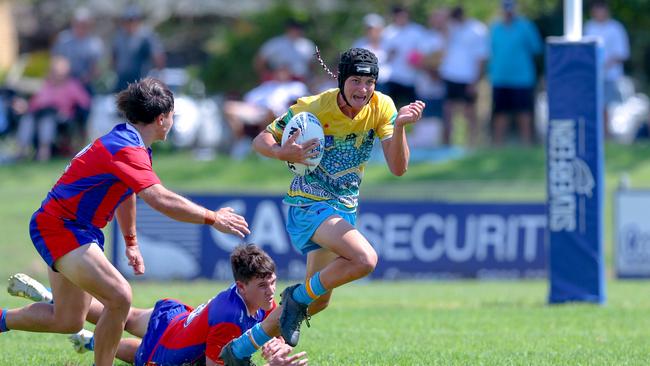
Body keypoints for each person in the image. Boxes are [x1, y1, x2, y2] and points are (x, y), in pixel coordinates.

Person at [0, 77, 250, 366]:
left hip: (69, 227)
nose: (172, 121)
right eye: (172, 115)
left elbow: (124, 192)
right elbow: (160, 199)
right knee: (120, 297)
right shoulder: (127, 148)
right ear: (161, 118)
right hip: (62, 227)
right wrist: (213, 217)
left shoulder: (129, 142)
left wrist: (131, 242)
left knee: (68, 319)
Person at [219, 47, 425, 365]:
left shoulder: (383, 106)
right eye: (355, 80)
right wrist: (282, 153)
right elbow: (261, 139)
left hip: (343, 207)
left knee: (317, 302)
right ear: (342, 80)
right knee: (365, 259)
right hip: (309, 204)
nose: (363, 89)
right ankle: (294, 297)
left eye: (369, 82)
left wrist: (399, 128)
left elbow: (398, 168)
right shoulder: (315, 107)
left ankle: (239, 350)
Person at [7, 245, 307, 366]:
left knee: (124, 315)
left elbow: (268, 326)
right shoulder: (229, 318)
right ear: (241, 286)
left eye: (273, 282)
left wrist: (275, 343)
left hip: (178, 319)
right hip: (172, 348)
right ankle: (84, 335)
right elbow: (218, 364)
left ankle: (55, 300)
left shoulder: (256, 298)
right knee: (137, 350)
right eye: (263, 285)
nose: (271, 291)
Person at [15, 56, 91, 161]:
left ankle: (43, 152)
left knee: (47, 120)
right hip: (42, 113)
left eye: (59, 71)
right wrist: (25, 107)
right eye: (54, 71)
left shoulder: (72, 85)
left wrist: (72, 112)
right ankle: (22, 151)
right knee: (28, 119)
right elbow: (35, 104)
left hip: (62, 116)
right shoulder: (45, 85)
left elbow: (85, 103)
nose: (56, 74)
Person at [489, 0, 542, 146]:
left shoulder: (526, 26)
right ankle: (497, 146)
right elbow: (491, 51)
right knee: (500, 113)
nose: (508, 11)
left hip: (522, 78)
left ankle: (526, 145)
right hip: (500, 78)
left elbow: (536, 48)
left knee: (523, 113)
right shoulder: (495, 28)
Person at [438, 6, 488, 147]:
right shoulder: (450, 28)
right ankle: (447, 146)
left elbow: (481, 58)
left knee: (470, 113)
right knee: (448, 112)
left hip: (468, 77)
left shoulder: (477, 30)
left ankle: (471, 144)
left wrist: (475, 81)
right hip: (450, 75)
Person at [584, 0, 630, 136]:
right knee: (596, 107)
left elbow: (622, 54)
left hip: (610, 76)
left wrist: (604, 66)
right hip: (592, 75)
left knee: (607, 108)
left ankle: (607, 136)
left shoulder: (616, 28)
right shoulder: (589, 27)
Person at [112, 5, 165, 92]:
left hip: (141, 81)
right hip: (122, 81)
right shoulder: (119, 37)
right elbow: (114, 56)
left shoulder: (146, 36)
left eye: (132, 19)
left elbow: (157, 56)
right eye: (127, 20)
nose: (130, 23)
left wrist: (160, 75)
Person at [51, 7, 104, 93]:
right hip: (64, 82)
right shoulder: (63, 39)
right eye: (78, 23)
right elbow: (56, 60)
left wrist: (87, 78)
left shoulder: (95, 44)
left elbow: (97, 68)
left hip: (86, 85)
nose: (81, 26)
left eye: (84, 24)